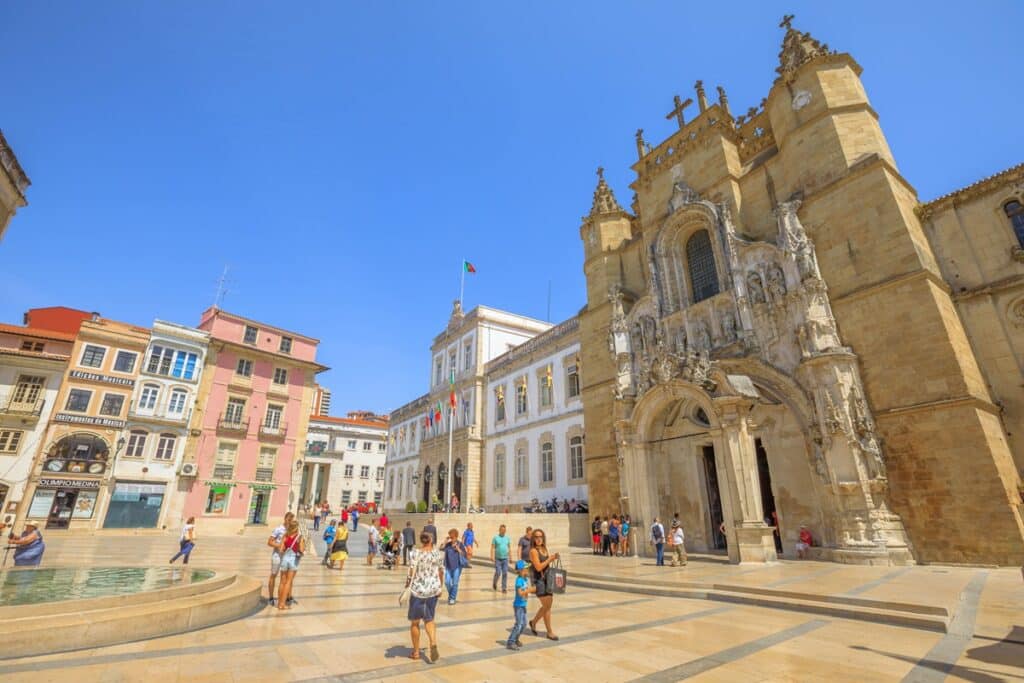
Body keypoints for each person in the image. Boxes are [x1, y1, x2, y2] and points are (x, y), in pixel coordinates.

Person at [406, 530, 444, 662]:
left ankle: (416, 652)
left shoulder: (415, 553)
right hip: (432, 591)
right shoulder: (437, 554)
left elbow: (411, 572)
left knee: (415, 623)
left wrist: (407, 585)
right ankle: (433, 642)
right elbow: (441, 572)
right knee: (429, 620)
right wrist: (440, 587)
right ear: (431, 540)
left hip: (418, 591)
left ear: (422, 540)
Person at [528, 528, 560, 640]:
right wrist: (550, 559)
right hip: (539, 581)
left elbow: (546, 566)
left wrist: (554, 557)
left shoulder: (544, 548)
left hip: (547, 579)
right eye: (536, 537)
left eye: (540, 536)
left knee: (548, 605)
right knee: (547, 606)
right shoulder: (533, 551)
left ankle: (533, 622)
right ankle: (549, 632)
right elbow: (538, 567)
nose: (538, 539)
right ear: (533, 538)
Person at [506, 560, 535, 650]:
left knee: (524, 624)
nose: (528, 570)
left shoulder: (525, 579)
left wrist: (530, 592)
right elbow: (519, 593)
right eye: (527, 569)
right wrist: (528, 591)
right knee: (518, 624)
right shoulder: (519, 580)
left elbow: (525, 591)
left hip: (523, 605)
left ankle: (516, 639)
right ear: (521, 570)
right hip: (518, 606)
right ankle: (510, 642)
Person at [267, 512, 295, 606]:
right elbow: (270, 542)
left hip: (287, 557)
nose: (289, 521)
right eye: (288, 519)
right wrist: (279, 545)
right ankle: (271, 597)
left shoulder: (292, 530)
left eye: (291, 520)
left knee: (285, 578)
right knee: (273, 575)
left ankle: (284, 597)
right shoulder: (278, 529)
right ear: (285, 519)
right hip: (277, 556)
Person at [276, 520, 304, 610]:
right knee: (288, 582)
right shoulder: (299, 537)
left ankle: (279, 602)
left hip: (284, 559)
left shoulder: (285, 536)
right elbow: (302, 550)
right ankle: (282, 604)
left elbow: (281, 549)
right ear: (297, 528)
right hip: (293, 560)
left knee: (282, 582)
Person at [441, 528, 467, 604]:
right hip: (448, 566)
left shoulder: (460, 544)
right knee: (447, 582)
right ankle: (451, 594)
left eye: (452, 537)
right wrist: (445, 542)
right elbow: (441, 548)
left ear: (456, 536)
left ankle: (452, 598)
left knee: (455, 583)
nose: (451, 539)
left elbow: (464, 554)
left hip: (457, 566)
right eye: (450, 537)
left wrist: (458, 549)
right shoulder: (448, 544)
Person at [491, 523, 512, 592]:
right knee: (498, 572)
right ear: (499, 530)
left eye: (504, 530)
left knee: (505, 572)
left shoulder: (507, 538)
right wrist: (492, 556)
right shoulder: (495, 538)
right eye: (502, 530)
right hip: (497, 558)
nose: (503, 531)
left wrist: (510, 557)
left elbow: (509, 548)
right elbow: (493, 547)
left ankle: (504, 588)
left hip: (505, 558)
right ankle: (495, 582)